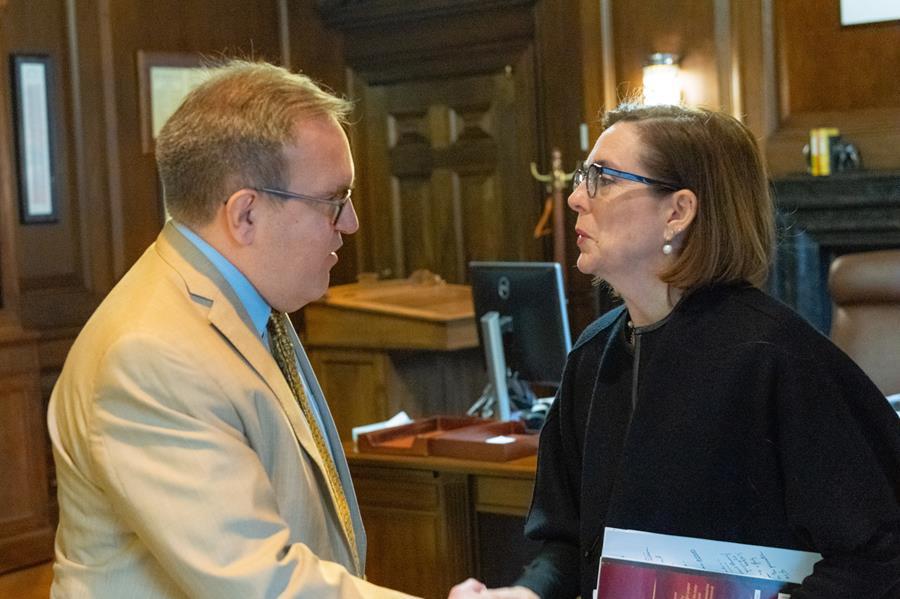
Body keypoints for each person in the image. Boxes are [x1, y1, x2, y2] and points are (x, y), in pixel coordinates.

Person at [450, 103, 900, 599]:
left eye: (602, 177)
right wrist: (527, 594)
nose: (577, 197)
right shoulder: (594, 353)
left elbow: (878, 556)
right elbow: (569, 541)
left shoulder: (778, 359)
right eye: (583, 176)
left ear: (678, 212)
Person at [47, 60, 417, 598]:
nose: (351, 223)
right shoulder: (151, 354)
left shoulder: (242, 303)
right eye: (333, 201)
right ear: (245, 215)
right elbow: (258, 583)